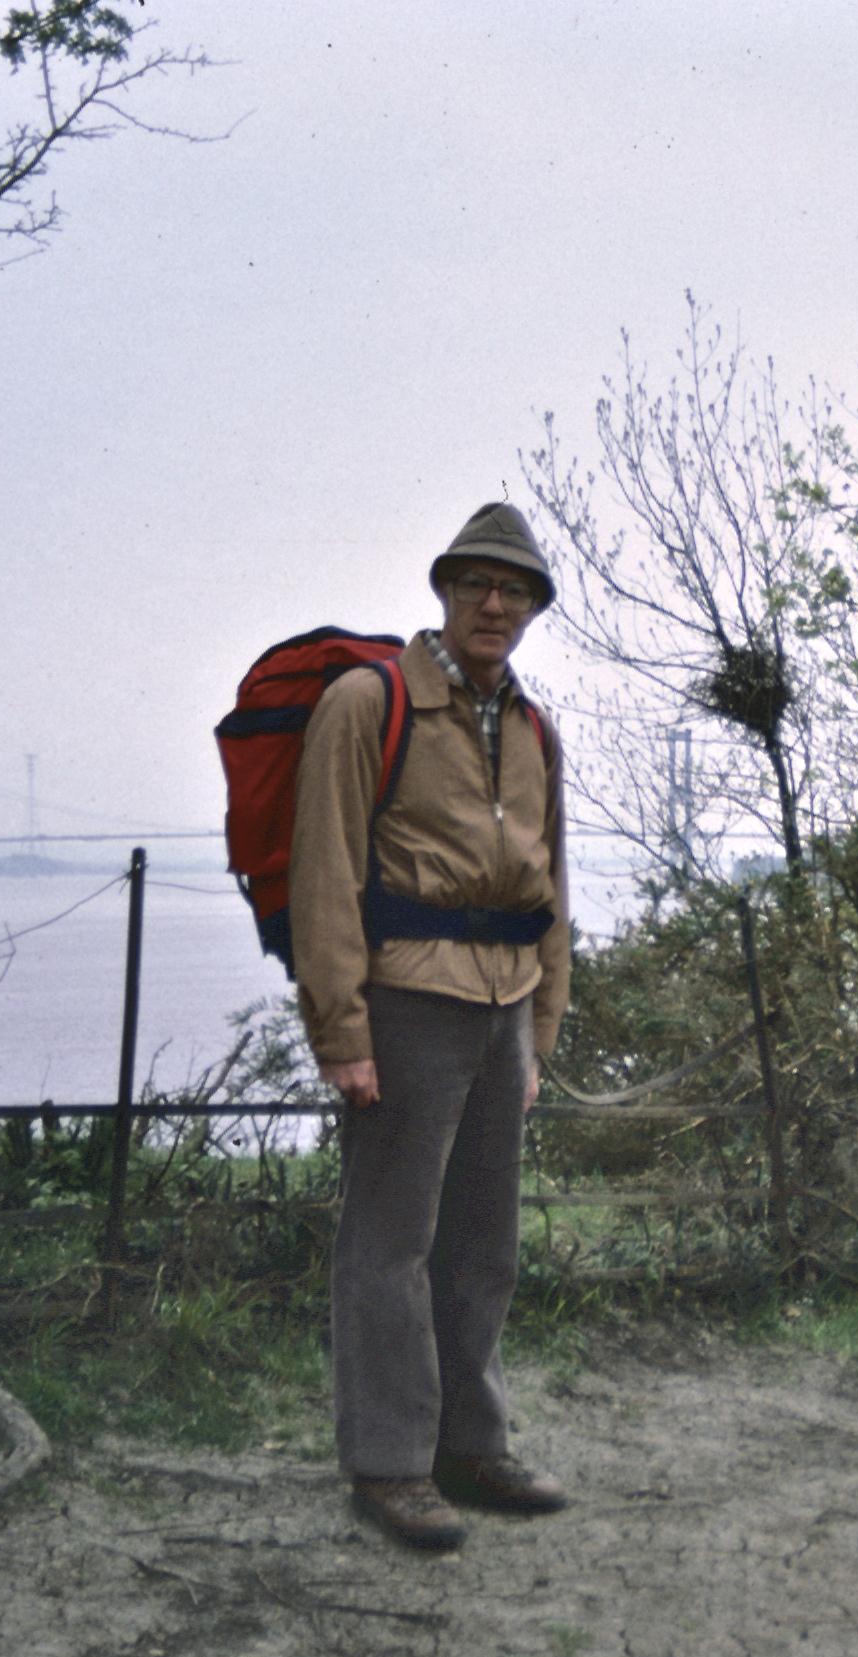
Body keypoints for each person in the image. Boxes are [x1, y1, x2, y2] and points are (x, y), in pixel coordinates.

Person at [291, 501, 573, 1552]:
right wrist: (343, 1033)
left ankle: (471, 1446)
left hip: (503, 1009)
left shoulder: (535, 728)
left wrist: (539, 1032)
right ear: (444, 593)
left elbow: (553, 889)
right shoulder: (370, 703)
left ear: (535, 608)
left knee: (481, 1246)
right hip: (406, 1003)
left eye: (514, 590)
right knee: (389, 1245)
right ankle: (390, 1463)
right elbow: (324, 872)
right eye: (475, 585)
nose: (493, 604)